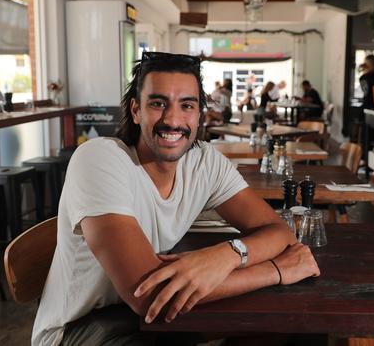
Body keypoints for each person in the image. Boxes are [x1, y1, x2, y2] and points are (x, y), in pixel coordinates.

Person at [32, 51, 320, 346]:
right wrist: (275, 271)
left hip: (155, 322)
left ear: (199, 115)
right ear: (135, 110)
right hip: (82, 330)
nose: (172, 119)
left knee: (293, 331)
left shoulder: (205, 162)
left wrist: (225, 255)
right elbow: (150, 295)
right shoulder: (99, 159)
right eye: (158, 104)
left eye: (187, 105)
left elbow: (279, 233)